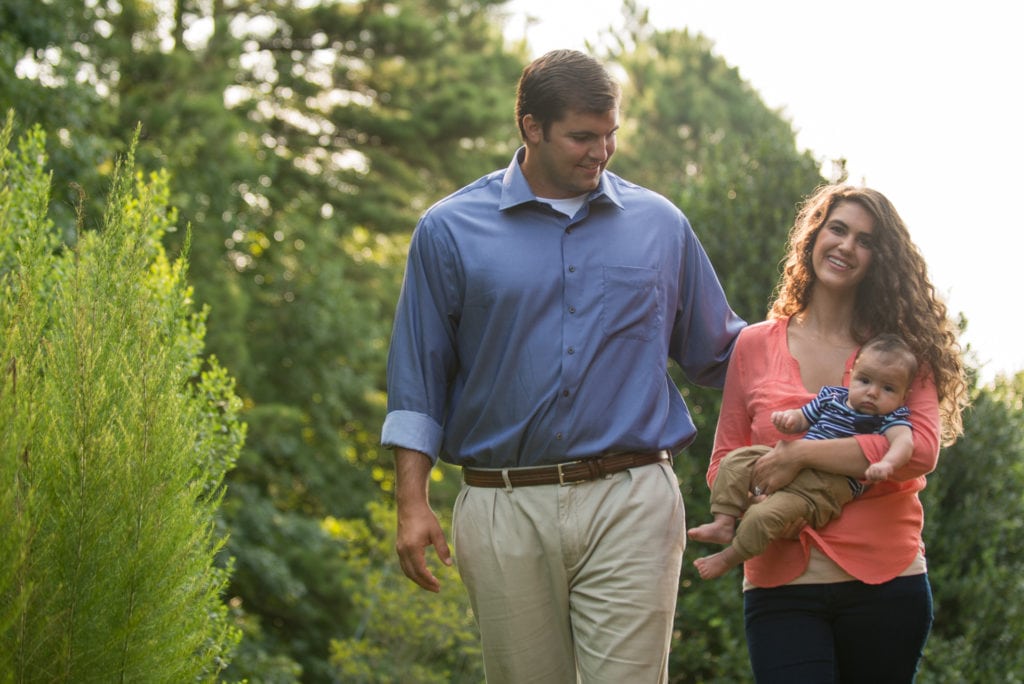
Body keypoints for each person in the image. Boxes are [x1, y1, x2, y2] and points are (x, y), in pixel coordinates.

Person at [381, 49, 745, 683]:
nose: (600, 152)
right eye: (582, 136)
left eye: (610, 136)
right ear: (531, 127)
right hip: (502, 503)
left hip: (631, 495)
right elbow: (418, 379)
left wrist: (825, 340)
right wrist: (412, 502)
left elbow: (723, 349)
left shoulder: (660, 225)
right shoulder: (448, 231)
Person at [704, 183, 969, 682]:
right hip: (780, 588)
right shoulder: (755, 346)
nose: (847, 246)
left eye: (865, 240)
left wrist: (801, 456)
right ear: (813, 238)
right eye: (838, 230)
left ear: (881, 259)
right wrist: (762, 489)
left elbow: (921, 451)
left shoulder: (903, 352)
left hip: (887, 582)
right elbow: (723, 460)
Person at [689, 333, 918, 580]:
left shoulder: (889, 417)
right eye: (865, 381)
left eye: (888, 388)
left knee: (762, 516)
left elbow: (904, 442)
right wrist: (789, 419)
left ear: (903, 396)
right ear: (851, 376)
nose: (873, 392)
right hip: (790, 466)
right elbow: (802, 418)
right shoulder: (832, 396)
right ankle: (723, 521)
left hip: (824, 487)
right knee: (736, 460)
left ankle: (729, 557)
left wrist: (887, 463)